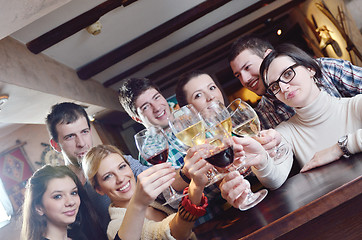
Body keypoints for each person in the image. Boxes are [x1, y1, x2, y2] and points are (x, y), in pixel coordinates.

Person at [175, 70, 293, 209]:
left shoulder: (244, 121)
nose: (210, 97)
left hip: (287, 192)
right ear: (189, 110)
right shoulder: (198, 153)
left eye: (212, 88)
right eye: (198, 95)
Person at [45, 102, 149, 236]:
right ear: (56, 145)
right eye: (70, 136)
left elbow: (152, 176)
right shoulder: (57, 191)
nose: (81, 143)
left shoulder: (118, 162)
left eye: (84, 132)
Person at [260, 43, 362, 172]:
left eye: (287, 74)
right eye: (274, 86)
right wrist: (261, 162)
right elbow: (275, 178)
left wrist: (339, 148)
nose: (283, 88)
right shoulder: (285, 132)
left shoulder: (354, 105)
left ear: (310, 69)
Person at [228, 36, 362, 130]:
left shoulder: (325, 68)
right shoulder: (262, 116)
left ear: (268, 55)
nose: (245, 79)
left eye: (247, 67)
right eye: (238, 75)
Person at [82, 144, 212, 240]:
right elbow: (173, 234)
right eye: (108, 176)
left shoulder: (153, 201)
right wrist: (197, 185)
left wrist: (190, 172)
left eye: (122, 167)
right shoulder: (115, 227)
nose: (120, 179)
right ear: (99, 189)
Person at [21, 165, 102, 240]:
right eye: (58, 196)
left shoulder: (80, 236)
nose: (71, 202)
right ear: (39, 208)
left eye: (73, 193)